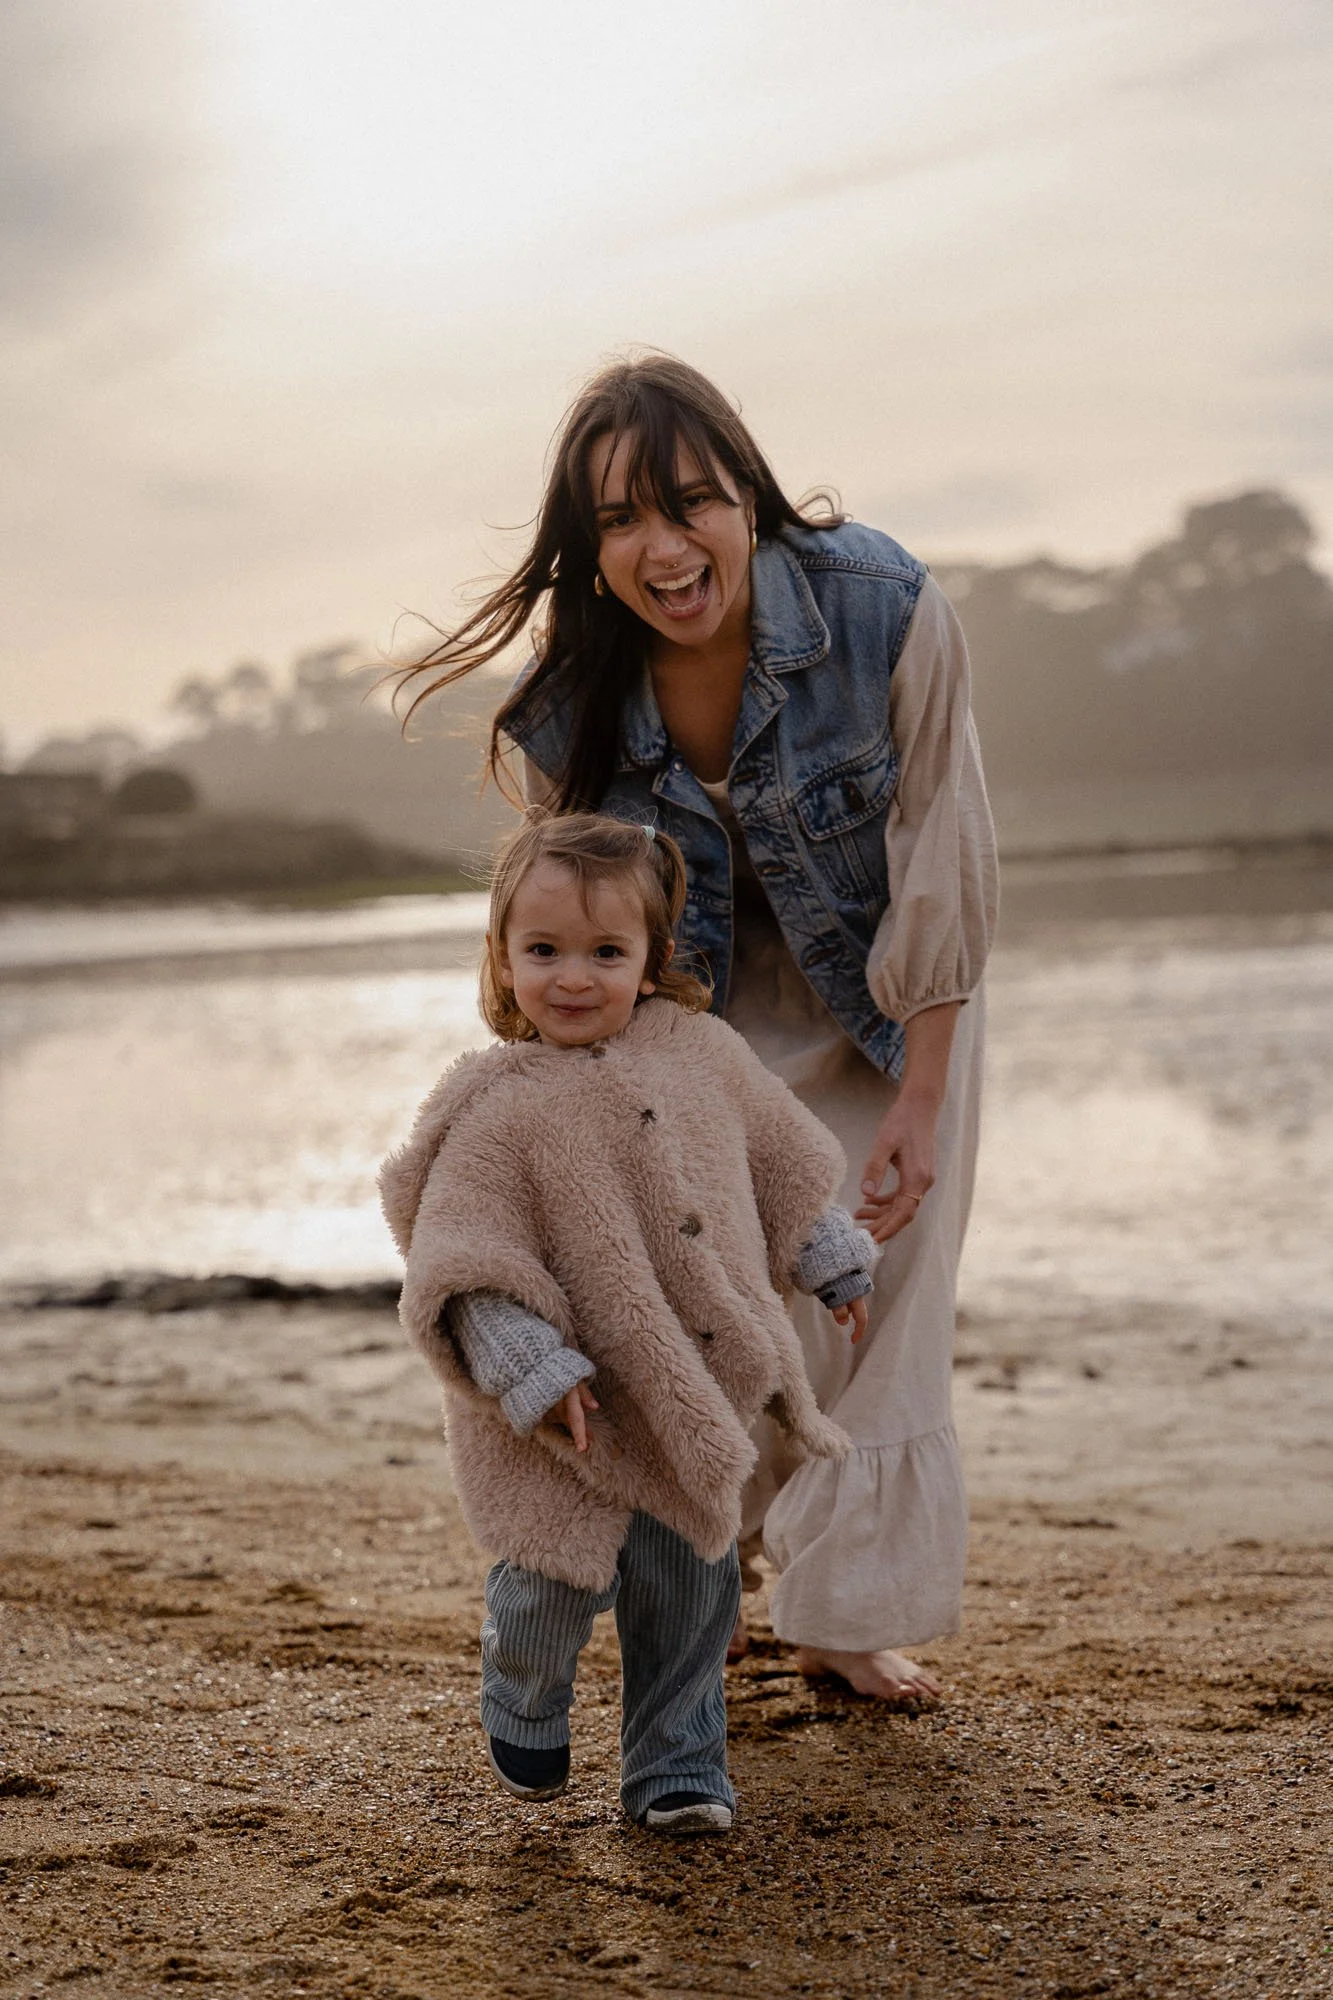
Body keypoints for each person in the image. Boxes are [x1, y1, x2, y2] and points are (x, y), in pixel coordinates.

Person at [395, 352, 998, 1705]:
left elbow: (945, 858)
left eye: (690, 503)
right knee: (704, 1282)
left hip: (893, 993)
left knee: (884, 1295)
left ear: (750, 500)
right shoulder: (576, 704)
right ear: (587, 546)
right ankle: (700, 1585)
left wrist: (923, 1100)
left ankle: (842, 1618)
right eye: (618, 521)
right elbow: (565, 920)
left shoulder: (884, 607)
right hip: (700, 1029)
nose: (663, 548)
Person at [380, 811, 876, 1832]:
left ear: (652, 960)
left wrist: (824, 1252)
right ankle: (521, 1693)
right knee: (548, 1587)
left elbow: (775, 1161)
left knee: (692, 1594)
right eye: (544, 949)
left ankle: (677, 1766)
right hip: (564, 1411)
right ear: (503, 957)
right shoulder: (498, 1106)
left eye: (607, 951)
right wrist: (526, 1363)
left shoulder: (706, 1057)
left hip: (693, 1394)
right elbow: (464, 1259)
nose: (574, 975)